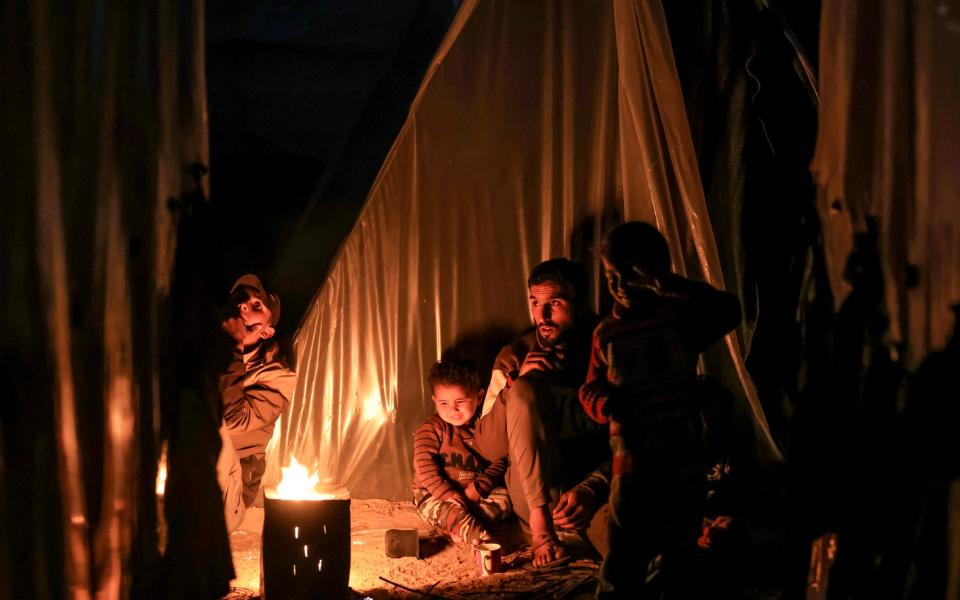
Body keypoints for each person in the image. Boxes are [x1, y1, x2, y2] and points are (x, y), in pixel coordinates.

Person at [579, 222, 741, 597]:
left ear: (655, 271)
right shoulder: (607, 334)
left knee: (678, 548)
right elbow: (590, 386)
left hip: (682, 455)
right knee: (623, 550)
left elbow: (729, 310)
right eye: (610, 277)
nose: (620, 286)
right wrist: (605, 403)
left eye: (630, 276)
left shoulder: (678, 320)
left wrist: (675, 286)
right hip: (632, 459)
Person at [474, 259, 610, 566]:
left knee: (634, 556)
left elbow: (638, 432)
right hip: (537, 497)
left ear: (581, 305)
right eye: (536, 303)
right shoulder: (515, 355)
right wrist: (513, 386)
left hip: (589, 494)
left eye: (555, 303)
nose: (543, 316)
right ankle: (542, 532)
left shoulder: (608, 351)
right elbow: (488, 448)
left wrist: (594, 486)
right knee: (523, 390)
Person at [217, 274, 297, 523]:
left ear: (266, 331)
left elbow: (234, 422)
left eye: (256, 305)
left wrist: (234, 348)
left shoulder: (279, 378)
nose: (244, 306)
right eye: (240, 301)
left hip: (232, 492)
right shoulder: (212, 358)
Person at [411, 360, 512, 544]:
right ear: (434, 401)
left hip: (475, 494)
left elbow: (501, 460)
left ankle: (458, 528)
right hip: (438, 494)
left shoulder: (484, 428)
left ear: (479, 397)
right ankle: (479, 538)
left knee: (504, 500)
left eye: (460, 401)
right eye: (444, 403)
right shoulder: (432, 428)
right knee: (443, 509)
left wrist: (478, 488)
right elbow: (424, 468)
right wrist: (448, 494)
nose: (453, 410)